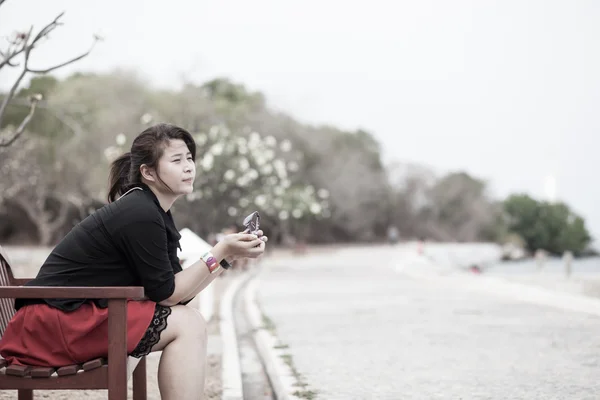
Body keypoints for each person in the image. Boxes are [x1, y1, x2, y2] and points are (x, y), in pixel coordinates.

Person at [0, 123, 267, 399]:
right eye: (177, 160)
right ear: (148, 172)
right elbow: (168, 294)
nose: (189, 167)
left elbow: (177, 295)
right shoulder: (140, 213)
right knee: (188, 324)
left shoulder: (152, 211)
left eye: (189, 158)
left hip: (71, 315)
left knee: (189, 319)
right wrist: (220, 250)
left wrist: (226, 256)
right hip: (50, 326)